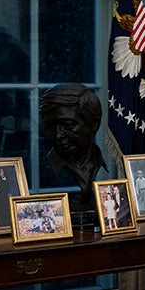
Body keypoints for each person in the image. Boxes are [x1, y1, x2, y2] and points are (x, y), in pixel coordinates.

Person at [39, 82, 106, 213]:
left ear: (94, 124)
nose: (58, 135)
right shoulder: (39, 172)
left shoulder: (103, 164)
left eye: (68, 125)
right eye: (50, 126)